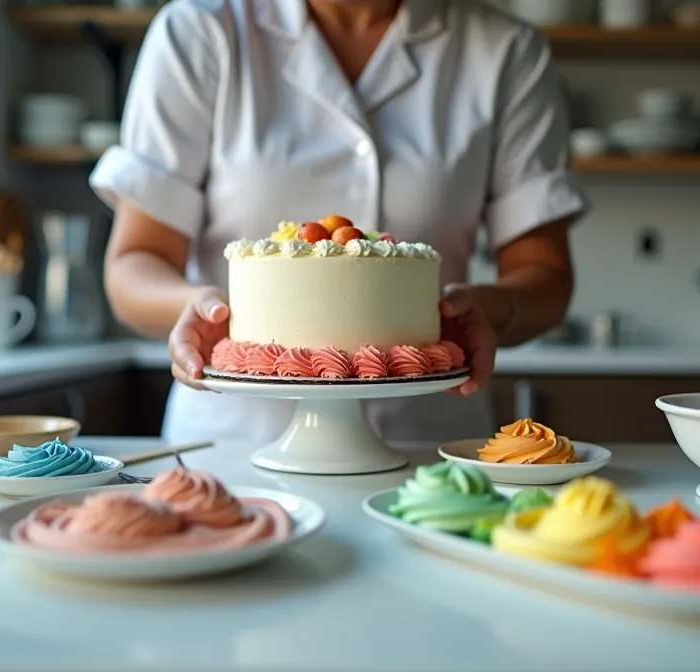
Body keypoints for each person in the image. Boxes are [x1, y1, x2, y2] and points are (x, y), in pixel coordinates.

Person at [92, 0, 588, 444]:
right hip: (234, 445)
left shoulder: (505, 51)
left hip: (427, 440)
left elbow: (545, 275)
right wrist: (197, 308)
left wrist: (486, 307)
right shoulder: (199, 30)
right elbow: (136, 263)